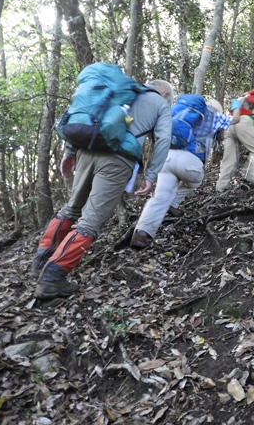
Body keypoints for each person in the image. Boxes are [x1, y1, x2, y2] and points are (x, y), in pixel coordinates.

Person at [30, 78, 174, 299]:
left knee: (72, 208)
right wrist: (152, 175)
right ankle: (52, 278)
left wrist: (70, 152)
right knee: (91, 221)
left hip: (87, 150)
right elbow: (164, 139)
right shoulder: (160, 103)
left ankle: (41, 261)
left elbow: (83, 114)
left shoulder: (119, 90)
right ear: (165, 94)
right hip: (118, 161)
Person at [130, 96, 236, 249]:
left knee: (159, 198)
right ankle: (173, 203)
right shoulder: (213, 116)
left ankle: (142, 233)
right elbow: (235, 120)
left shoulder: (184, 114)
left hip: (167, 158)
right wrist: (237, 105)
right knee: (195, 180)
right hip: (190, 162)